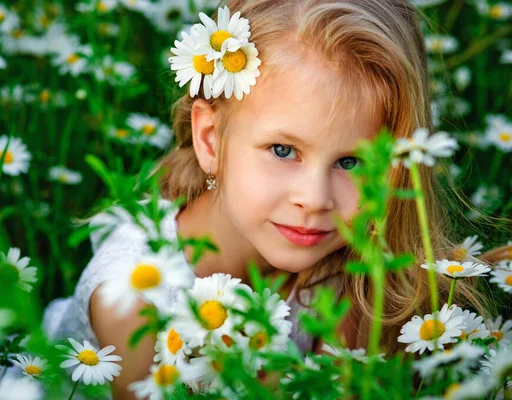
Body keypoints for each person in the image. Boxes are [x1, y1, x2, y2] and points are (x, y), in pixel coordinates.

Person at [44, 0, 501, 397]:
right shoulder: (136, 304)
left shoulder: (349, 266)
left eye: (353, 163)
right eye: (283, 151)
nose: (315, 199)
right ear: (209, 139)